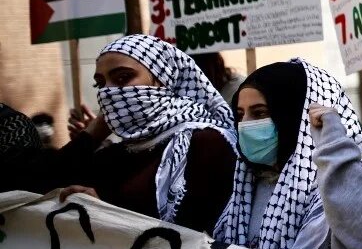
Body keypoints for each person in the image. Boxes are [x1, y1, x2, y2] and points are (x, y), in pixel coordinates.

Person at [213, 59, 362, 249]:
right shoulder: (247, 186)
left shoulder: (349, 179)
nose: (244, 125)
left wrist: (334, 149)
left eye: (260, 113)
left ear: (294, 116)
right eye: (241, 115)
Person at [61, 34, 238, 234]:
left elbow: (193, 229)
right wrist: (96, 130)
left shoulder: (205, 141)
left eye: (123, 78)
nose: (108, 92)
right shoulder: (123, 150)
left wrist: (107, 212)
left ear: (162, 79)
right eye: (100, 84)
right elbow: (39, 181)